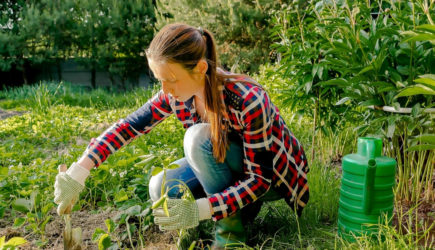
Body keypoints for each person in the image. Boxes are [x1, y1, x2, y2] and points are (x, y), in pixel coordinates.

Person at [54, 23, 309, 248]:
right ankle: (225, 213)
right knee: (161, 187)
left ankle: (229, 238)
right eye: (159, 80)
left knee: (197, 139)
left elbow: (259, 179)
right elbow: (129, 126)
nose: (165, 90)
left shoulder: (247, 100)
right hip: (231, 174)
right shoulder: (176, 95)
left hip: (270, 178)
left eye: (171, 79)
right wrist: (79, 171)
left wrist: (200, 208)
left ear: (200, 68)